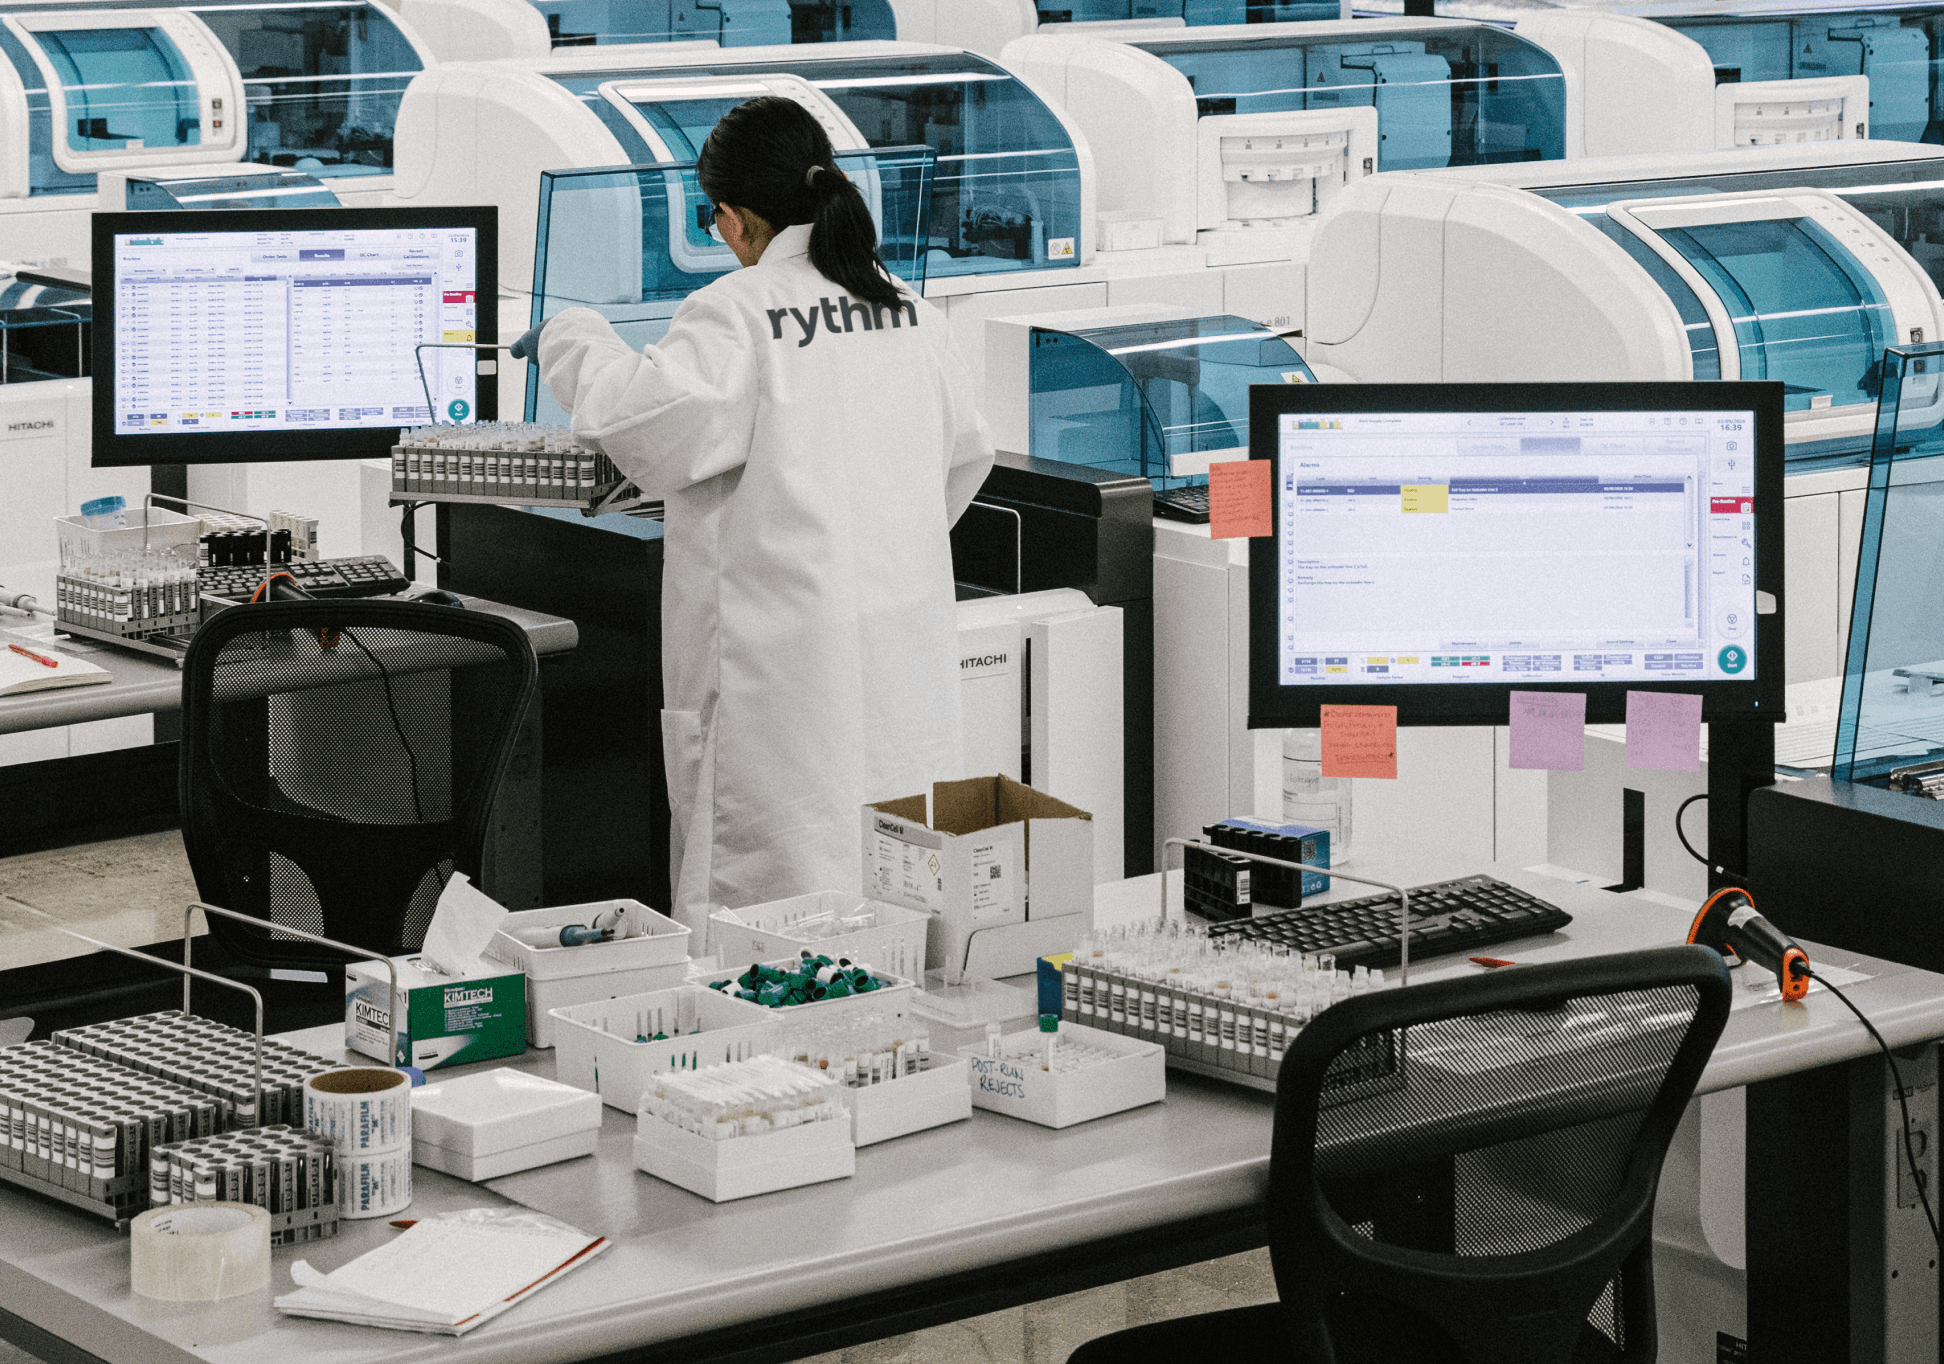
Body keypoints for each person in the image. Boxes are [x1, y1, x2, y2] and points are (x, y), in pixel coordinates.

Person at [518, 96, 994, 936]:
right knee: (892, 898)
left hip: (776, 679)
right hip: (899, 658)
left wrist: (570, 334)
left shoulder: (737, 311)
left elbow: (641, 428)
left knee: (768, 924)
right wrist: (871, 540)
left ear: (732, 219)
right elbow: (963, 460)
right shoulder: (910, 311)